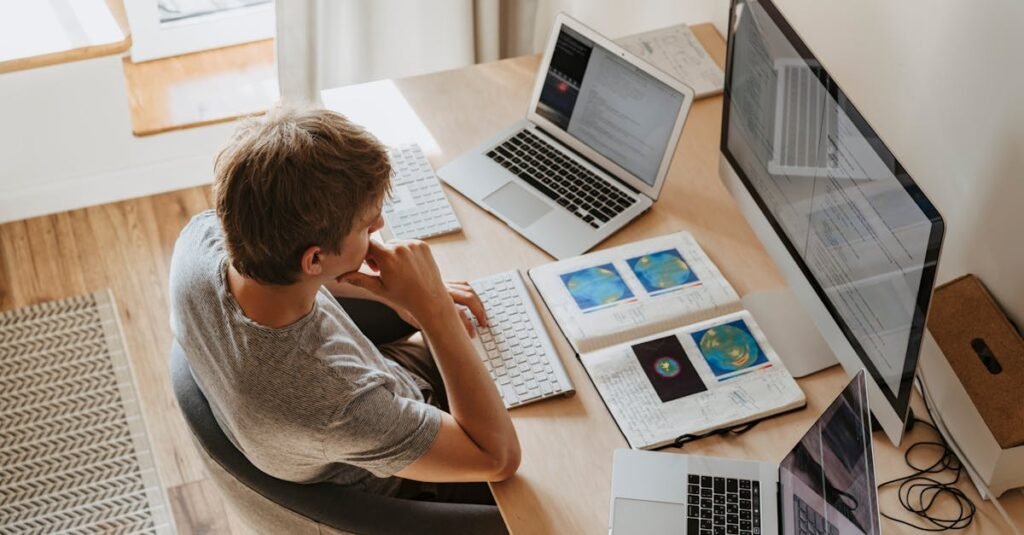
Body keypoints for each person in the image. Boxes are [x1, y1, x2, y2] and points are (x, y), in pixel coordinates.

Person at [169, 105, 520, 503]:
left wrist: (401, 292)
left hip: (366, 396)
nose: (380, 227)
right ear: (315, 260)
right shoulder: (336, 401)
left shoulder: (201, 240)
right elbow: (497, 457)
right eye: (366, 225)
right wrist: (434, 312)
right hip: (415, 476)